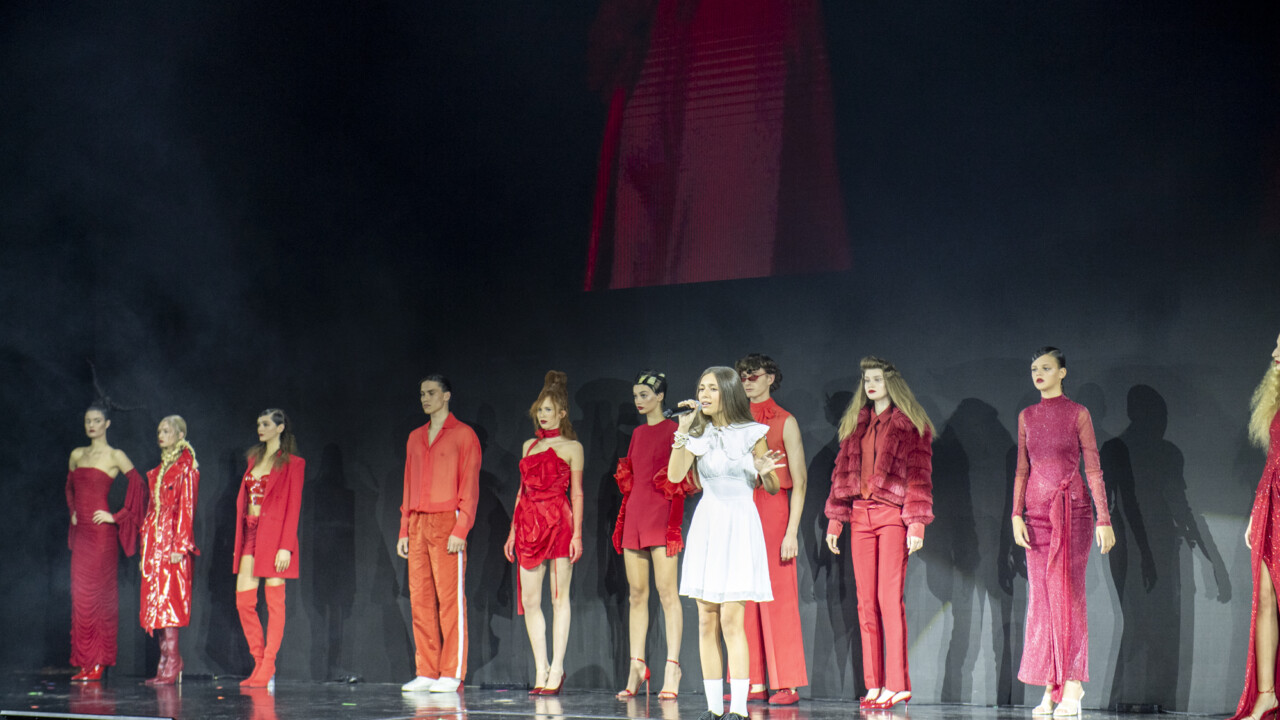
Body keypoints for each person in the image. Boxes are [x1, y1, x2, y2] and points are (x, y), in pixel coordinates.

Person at [669, 366, 784, 720]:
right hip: (708, 524)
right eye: (701, 388)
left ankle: (738, 710)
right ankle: (713, 709)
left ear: (728, 393)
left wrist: (765, 470)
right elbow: (674, 475)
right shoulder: (698, 433)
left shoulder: (752, 432)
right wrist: (683, 430)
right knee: (706, 621)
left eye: (712, 389)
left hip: (739, 524)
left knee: (732, 621)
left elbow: (772, 487)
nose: (703, 395)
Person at [824, 356, 935, 710]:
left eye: (877, 379)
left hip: (891, 516)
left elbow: (919, 478)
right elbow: (842, 475)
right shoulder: (855, 424)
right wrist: (835, 520)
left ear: (891, 383)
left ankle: (897, 684)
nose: (871, 385)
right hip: (860, 516)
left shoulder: (910, 425)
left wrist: (916, 523)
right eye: (867, 379)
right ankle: (874, 685)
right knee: (865, 602)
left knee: (889, 600)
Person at [1010, 348, 1114, 716]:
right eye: (1034, 368)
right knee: (1042, 601)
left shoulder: (1077, 414)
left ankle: (1073, 685)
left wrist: (1104, 518)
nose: (1038, 373)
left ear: (1062, 372)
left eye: (1046, 367)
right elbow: (1022, 469)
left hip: (1073, 513)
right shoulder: (1027, 416)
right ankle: (1051, 688)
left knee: (1068, 597)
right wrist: (1015, 514)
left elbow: (1094, 469)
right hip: (1035, 518)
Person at [612, 370, 694, 700]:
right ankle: (636, 665)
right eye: (635, 396)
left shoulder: (675, 429)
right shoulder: (637, 433)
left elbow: (680, 477)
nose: (638, 401)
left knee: (667, 592)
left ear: (660, 397)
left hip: (661, 514)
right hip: (636, 513)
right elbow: (632, 475)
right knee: (636, 594)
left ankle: (672, 667)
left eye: (644, 395)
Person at [398, 374, 481, 694]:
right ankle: (427, 670)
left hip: (447, 520)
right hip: (417, 522)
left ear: (446, 396)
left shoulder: (463, 435)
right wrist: (404, 528)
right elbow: (408, 485)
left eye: (431, 393)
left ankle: (452, 671)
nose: (425, 398)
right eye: (422, 393)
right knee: (420, 599)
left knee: (450, 600)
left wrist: (461, 527)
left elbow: (469, 485)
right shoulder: (414, 437)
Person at [504, 371, 585, 695]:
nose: (542, 414)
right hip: (528, 523)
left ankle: (558, 667)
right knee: (530, 599)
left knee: (558, 598)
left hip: (559, 523)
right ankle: (542, 668)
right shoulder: (529, 446)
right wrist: (512, 532)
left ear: (562, 413)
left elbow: (577, 493)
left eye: (548, 409)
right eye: (539, 409)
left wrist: (577, 535)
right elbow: (521, 491)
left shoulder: (573, 447)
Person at [734, 353, 809, 704]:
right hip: (740, 509)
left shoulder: (784, 421)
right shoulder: (733, 421)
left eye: (754, 375)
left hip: (774, 511)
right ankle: (752, 680)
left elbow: (800, 481)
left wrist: (791, 532)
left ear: (770, 378)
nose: (748, 381)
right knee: (744, 597)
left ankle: (786, 682)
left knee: (778, 596)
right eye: (743, 377)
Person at [65, 403, 144, 682]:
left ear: (107, 424)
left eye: (97, 420)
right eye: (88, 420)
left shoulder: (115, 455)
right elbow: (70, 487)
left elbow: (139, 487)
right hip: (82, 534)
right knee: (80, 596)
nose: (91, 425)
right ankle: (84, 662)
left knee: (99, 596)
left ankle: (99, 661)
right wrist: (73, 511)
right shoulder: (77, 454)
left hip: (101, 536)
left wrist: (116, 517)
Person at [233, 409, 305, 688]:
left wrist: (285, 547)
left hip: (275, 537)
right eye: (258, 424)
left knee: (274, 603)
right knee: (244, 602)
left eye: (265, 424)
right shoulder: (254, 458)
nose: (260, 429)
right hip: (250, 532)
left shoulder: (293, 463)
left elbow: (293, 507)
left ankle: (269, 663)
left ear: (280, 427)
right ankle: (259, 660)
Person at [1228, 331, 1280, 720]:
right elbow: (1272, 460)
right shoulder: (1275, 401)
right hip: (1271, 502)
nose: (1275, 353)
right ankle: (1266, 695)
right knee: (1264, 598)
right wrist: (1256, 512)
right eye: (1276, 345)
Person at [139, 415, 200, 685]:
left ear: (180, 435)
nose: (161, 435)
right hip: (155, 543)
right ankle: (164, 662)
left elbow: (187, 508)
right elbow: (152, 510)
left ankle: (173, 660)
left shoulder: (186, 469)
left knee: (170, 601)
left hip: (173, 542)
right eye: (159, 431)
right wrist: (146, 544)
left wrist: (180, 545)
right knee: (157, 602)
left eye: (166, 431)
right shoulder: (158, 471)